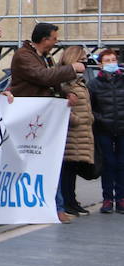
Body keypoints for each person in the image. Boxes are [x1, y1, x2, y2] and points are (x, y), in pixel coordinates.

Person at [9, 23, 84, 224]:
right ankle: (44, 206)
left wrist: (65, 93)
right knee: (31, 161)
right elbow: (42, 77)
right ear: (44, 39)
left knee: (50, 161)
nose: (56, 41)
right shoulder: (23, 56)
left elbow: (51, 81)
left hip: (43, 118)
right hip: (28, 118)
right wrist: (71, 69)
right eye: (54, 38)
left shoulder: (44, 57)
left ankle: (55, 206)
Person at [57, 44, 94, 219]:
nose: (84, 64)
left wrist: (89, 118)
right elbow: (61, 106)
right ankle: (68, 201)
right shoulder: (65, 82)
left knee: (74, 167)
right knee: (68, 169)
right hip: (72, 131)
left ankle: (72, 200)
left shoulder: (79, 82)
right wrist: (78, 120)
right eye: (81, 60)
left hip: (82, 132)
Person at [89, 46, 124, 213]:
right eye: (107, 61)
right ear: (100, 65)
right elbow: (91, 107)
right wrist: (100, 119)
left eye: (113, 60)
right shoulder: (94, 84)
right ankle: (108, 199)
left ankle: (121, 198)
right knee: (108, 164)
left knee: (122, 164)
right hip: (104, 129)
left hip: (122, 128)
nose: (111, 63)